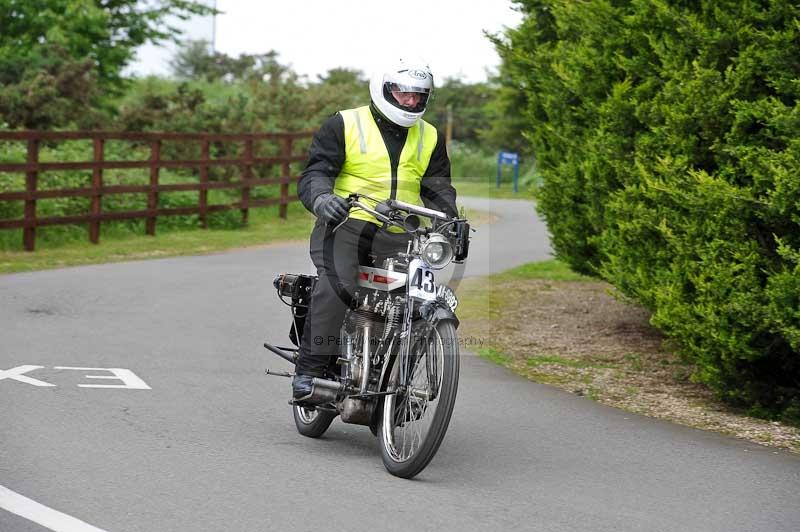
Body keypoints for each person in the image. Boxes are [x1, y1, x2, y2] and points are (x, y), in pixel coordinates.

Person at [292, 58, 458, 403]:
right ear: (383, 90)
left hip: (403, 233)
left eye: (419, 95)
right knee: (339, 286)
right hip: (347, 224)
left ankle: (397, 387)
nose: (411, 102)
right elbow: (316, 172)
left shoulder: (429, 136)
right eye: (403, 93)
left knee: (419, 300)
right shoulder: (345, 123)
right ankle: (309, 371)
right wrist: (323, 199)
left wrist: (451, 220)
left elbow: (439, 187)